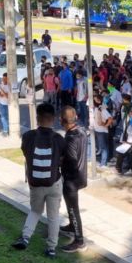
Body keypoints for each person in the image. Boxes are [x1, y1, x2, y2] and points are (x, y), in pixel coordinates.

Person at [13, 104, 67, 258]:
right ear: (53, 119)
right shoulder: (59, 139)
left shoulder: (28, 136)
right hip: (54, 182)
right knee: (53, 216)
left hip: (35, 182)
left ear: (37, 118)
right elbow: (63, 159)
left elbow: (25, 153)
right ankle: (51, 248)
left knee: (35, 211)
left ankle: (25, 237)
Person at [59, 107, 89, 253]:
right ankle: (72, 225)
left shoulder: (70, 137)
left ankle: (79, 240)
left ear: (62, 121)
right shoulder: (82, 131)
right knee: (71, 207)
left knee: (73, 208)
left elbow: (70, 159)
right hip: (81, 175)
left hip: (72, 179)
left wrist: (59, 160)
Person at [93, 94, 113, 168]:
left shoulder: (102, 109)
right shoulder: (96, 108)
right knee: (103, 147)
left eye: (94, 100)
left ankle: (103, 163)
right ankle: (103, 162)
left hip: (102, 131)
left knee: (104, 147)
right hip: (97, 130)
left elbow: (110, 118)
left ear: (98, 101)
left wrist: (105, 125)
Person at [0, 72, 11, 136]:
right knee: (3, 117)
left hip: (7, 104)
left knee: (6, 117)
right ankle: (5, 130)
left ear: (8, 79)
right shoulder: (2, 84)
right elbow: (0, 94)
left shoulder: (9, 86)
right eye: (3, 79)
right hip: (1, 103)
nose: (3, 80)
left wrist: (1, 90)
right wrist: (0, 93)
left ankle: (7, 130)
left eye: (5, 79)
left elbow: (7, 96)